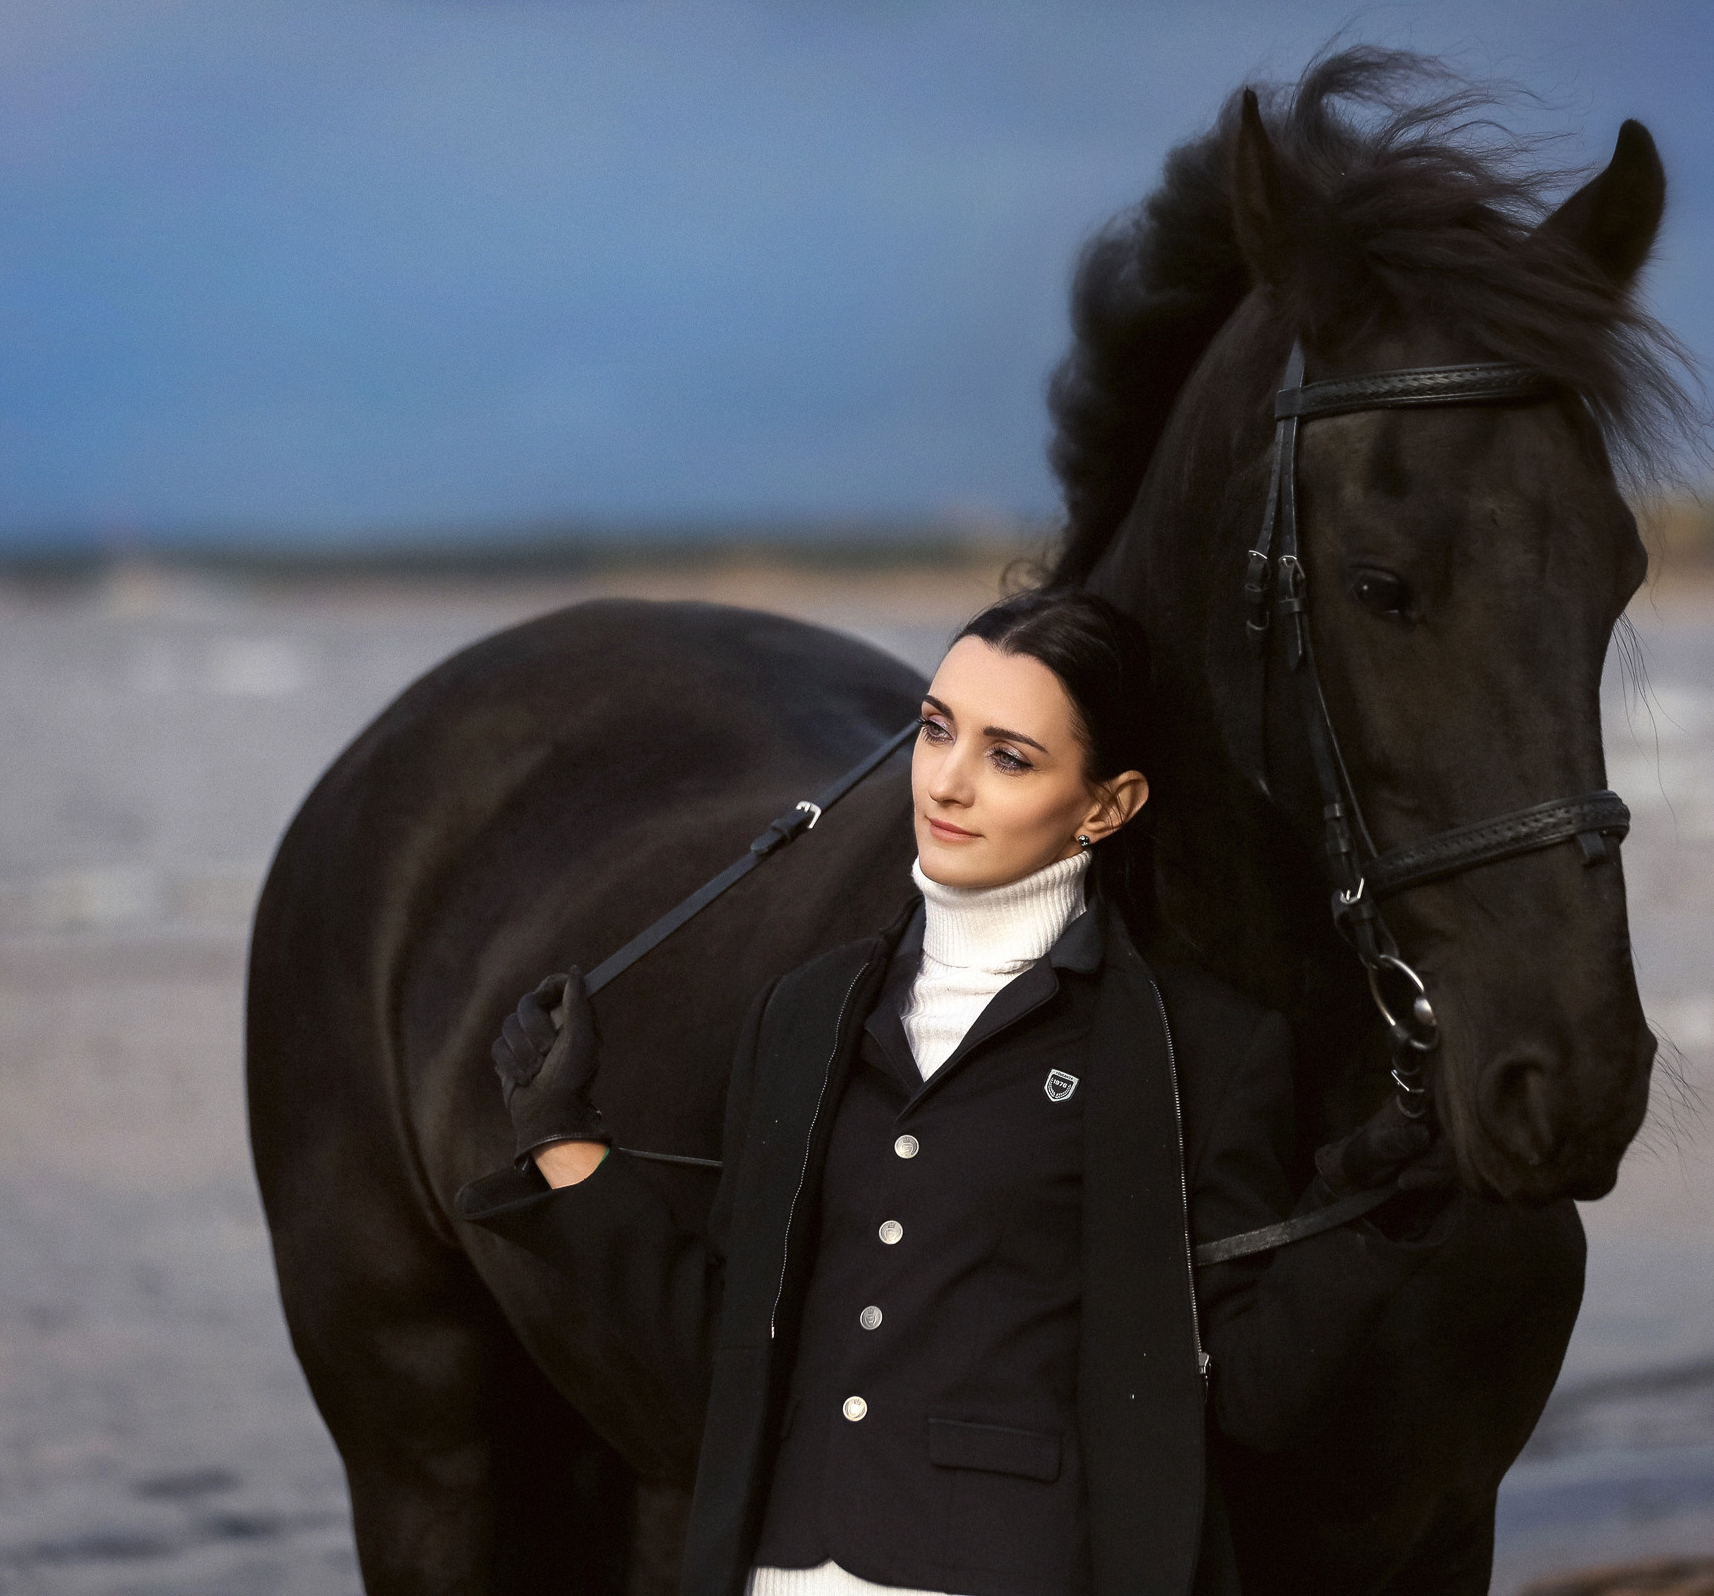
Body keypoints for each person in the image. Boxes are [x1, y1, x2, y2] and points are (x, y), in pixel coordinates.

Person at [453, 588, 1459, 1596]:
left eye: (1008, 756)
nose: (948, 782)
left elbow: (1241, 1398)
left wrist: (1372, 1215)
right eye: (937, 730)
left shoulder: (1202, 1048)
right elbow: (730, 1359)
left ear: (1108, 805)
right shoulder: (804, 1011)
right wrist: (563, 1142)